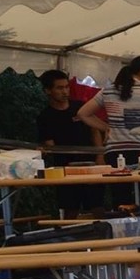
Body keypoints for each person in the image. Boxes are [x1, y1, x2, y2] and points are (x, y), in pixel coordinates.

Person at [77, 56, 140, 167]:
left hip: (113, 152)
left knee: (118, 178)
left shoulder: (107, 91)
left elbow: (82, 114)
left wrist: (107, 127)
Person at [35, 70, 104, 215]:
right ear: (48, 90)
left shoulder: (81, 108)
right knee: (70, 210)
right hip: (65, 169)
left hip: (90, 165)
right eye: (59, 88)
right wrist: (41, 152)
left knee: (97, 207)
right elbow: (49, 145)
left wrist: (100, 155)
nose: (65, 91)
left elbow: (95, 130)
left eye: (67, 87)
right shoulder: (45, 116)